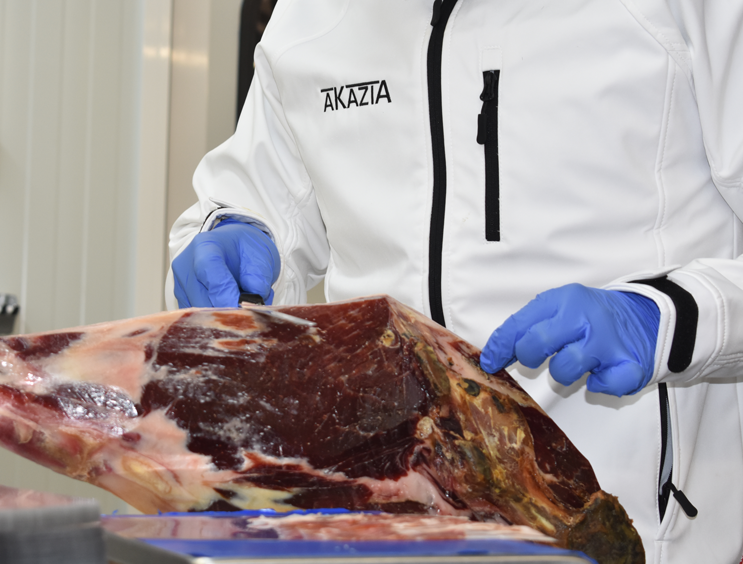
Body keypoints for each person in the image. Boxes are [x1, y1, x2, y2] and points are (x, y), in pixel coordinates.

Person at [166, 1, 743, 562]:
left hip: (625, 530)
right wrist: (235, 228)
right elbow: (254, 197)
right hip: (378, 525)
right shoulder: (313, 15)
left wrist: (670, 318)